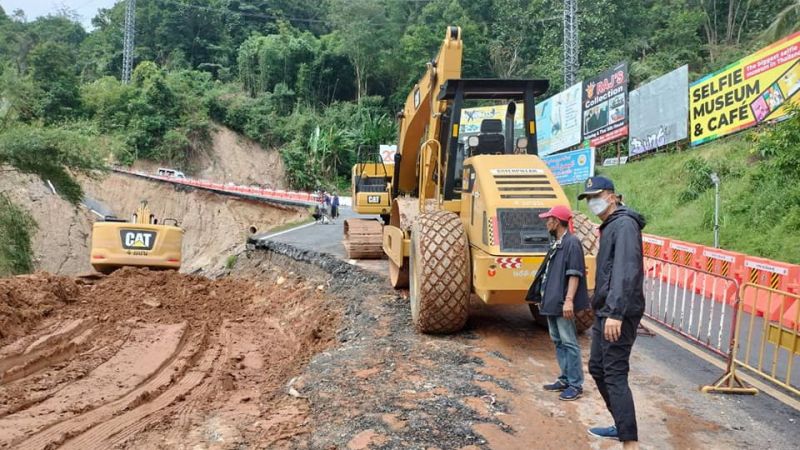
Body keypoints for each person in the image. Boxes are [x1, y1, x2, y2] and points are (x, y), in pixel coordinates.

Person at [578, 176, 646, 448]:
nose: (591, 202)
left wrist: (615, 312)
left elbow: (625, 270)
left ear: (611, 196)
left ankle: (629, 441)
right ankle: (621, 423)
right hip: (606, 308)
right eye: (588, 198)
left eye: (595, 196)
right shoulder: (612, 226)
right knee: (597, 367)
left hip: (619, 311)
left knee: (615, 372)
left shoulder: (625, 225)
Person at [526, 205, 589, 401]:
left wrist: (569, 300)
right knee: (558, 340)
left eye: (548, 219)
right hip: (552, 303)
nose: (546, 223)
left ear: (556, 221)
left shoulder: (572, 243)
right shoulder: (558, 243)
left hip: (562, 303)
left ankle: (575, 384)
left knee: (569, 342)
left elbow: (574, 274)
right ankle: (564, 378)